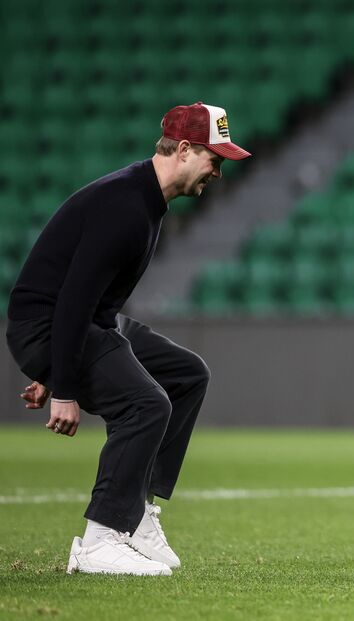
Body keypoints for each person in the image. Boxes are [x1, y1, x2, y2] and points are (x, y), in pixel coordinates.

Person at [5, 102, 250, 576]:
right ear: (183, 149)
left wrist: (56, 368)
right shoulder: (126, 207)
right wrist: (63, 382)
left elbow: (89, 302)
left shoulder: (145, 199)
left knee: (186, 375)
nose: (218, 172)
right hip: (51, 324)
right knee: (147, 405)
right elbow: (73, 301)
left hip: (87, 322)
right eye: (214, 159)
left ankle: (135, 516)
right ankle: (101, 539)